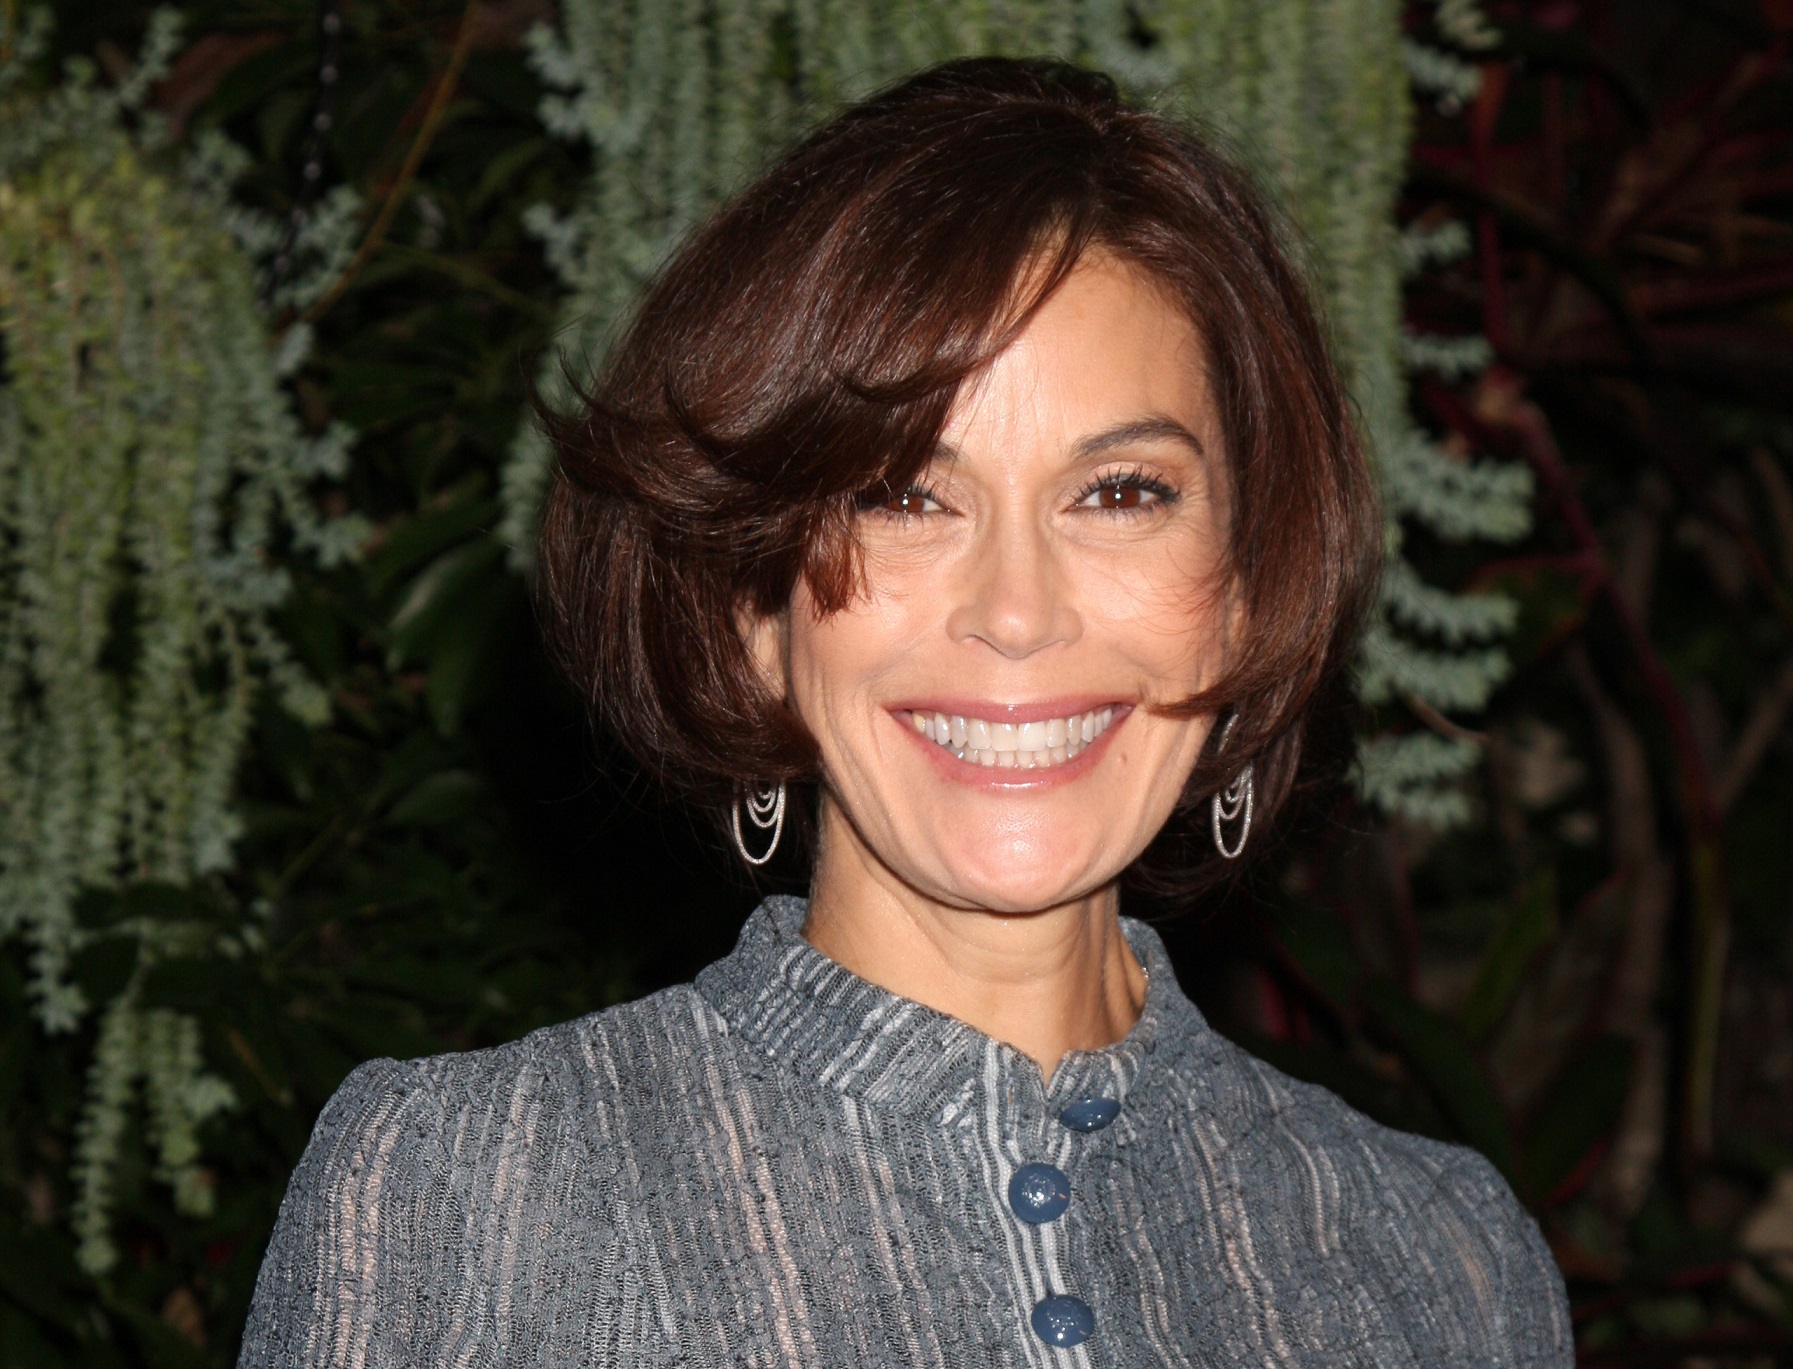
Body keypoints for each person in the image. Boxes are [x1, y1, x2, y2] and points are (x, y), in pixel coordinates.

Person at [239, 57, 1573, 1367]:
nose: (1015, 608)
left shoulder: (1442, 1261)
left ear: (1243, 591)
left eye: (1117, 492)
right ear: (753, 608)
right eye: (901, 493)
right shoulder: (470, 1186)